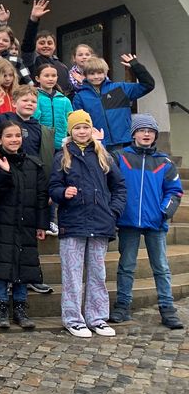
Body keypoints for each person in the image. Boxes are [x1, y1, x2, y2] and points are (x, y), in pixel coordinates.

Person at [50, 111, 126, 338]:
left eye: (85, 127)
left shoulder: (104, 155)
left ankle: (97, 317)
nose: (81, 132)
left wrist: (113, 211)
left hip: (100, 223)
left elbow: (119, 187)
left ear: (91, 129)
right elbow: (52, 188)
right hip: (72, 224)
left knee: (97, 274)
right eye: (77, 128)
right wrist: (63, 192)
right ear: (70, 131)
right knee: (72, 274)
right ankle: (73, 319)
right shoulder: (62, 157)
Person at [111, 114, 184, 329]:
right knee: (126, 266)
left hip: (155, 223)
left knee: (161, 267)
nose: (146, 134)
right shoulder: (120, 157)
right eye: (142, 130)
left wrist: (163, 212)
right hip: (128, 221)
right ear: (133, 133)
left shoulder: (165, 162)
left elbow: (174, 192)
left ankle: (167, 308)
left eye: (150, 131)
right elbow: (110, 183)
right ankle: (123, 305)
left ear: (155, 136)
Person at [0, 121, 49, 330]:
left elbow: (41, 196)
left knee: (25, 264)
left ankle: (20, 306)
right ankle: (1, 306)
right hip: (2, 221)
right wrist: (4, 172)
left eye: (17, 136)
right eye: (9, 136)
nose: (14, 140)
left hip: (26, 221)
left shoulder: (33, 163)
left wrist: (41, 224)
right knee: (2, 264)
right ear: (0, 139)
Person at [72, 54, 155, 149]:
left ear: (105, 73)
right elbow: (79, 123)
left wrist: (136, 66)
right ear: (85, 75)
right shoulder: (80, 97)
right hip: (97, 144)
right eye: (91, 73)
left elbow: (148, 85)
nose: (96, 76)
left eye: (99, 73)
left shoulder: (120, 89)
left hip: (124, 142)